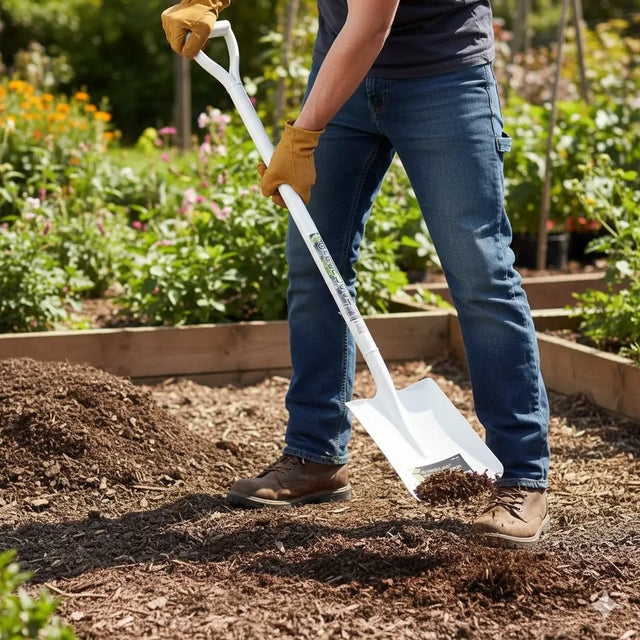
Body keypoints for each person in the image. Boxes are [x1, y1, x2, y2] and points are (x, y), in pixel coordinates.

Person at [162, 0, 551, 548]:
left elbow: (371, 22)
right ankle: (316, 454)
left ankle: (521, 476)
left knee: (479, 271)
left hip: (442, 75)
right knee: (315, 263)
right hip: (342, 75)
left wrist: (301, 136)